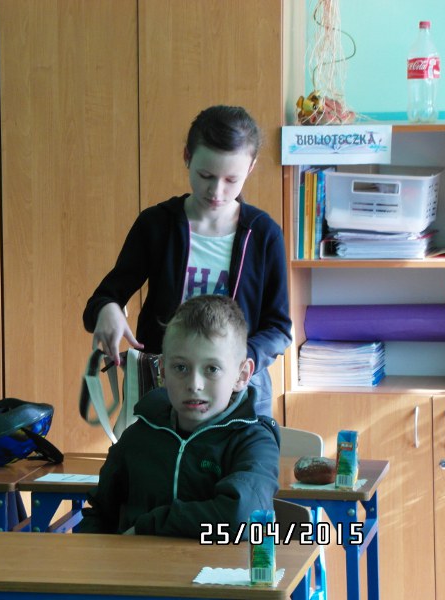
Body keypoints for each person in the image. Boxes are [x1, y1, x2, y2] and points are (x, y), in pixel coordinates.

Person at [83, 105, 291, 416]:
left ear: (250, 168)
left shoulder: (264, 234)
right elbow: (103, 299)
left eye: (231, 180)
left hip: (240, 391)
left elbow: (279, 329)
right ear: (187, 157)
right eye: (206, 176)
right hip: (164, 387)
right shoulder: (157, 225)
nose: (216, 191)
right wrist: (107, 309)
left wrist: (237, 360)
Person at [77, 295, 280, 538]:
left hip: (215, 565)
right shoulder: (137, 436)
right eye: (181, 367)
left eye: (212, 369)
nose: (194, 384)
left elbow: (243, 517)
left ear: (242, 375)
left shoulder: (255, 442)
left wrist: (148, 527)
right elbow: (100, 513)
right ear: (163, 371)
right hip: (135, 563)